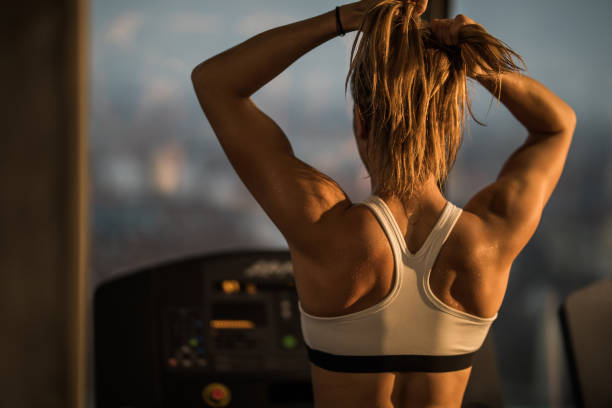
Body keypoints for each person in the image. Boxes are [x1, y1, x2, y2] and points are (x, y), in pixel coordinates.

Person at [191, 0, 575, 406]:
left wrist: (343, 19)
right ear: (448, 128)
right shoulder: (489, 240)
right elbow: (557, 125)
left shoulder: (324, 227)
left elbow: (215, 82)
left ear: (361, 121)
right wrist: (478, 64)